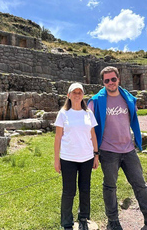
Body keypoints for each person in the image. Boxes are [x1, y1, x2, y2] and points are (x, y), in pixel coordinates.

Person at [87, 66, 147, 230]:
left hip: (128, 149)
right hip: (108, 151)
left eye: (113, 79)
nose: (111, 83)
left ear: (118, 79)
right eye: (107, 80)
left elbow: (132, 116)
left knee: (140, 184)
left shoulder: (128, 98)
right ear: (103, 82)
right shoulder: (96, 101)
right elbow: (87, 125)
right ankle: (113, 223)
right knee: (110, 187)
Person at [54, 82, 99, 230]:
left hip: (86, 157)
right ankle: (67, 223)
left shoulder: (88, 113)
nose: (77, 94)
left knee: (85, 189)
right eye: (74, 92)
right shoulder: (63, 113)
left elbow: (93, 135)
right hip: (68, 159)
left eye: (80, 92)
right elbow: (58, 138)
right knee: (69, 191)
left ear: (83, 95)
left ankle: (83, 218)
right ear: (69, 95)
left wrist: (96, 154)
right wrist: (56, 160)